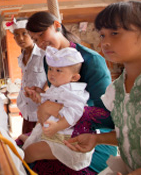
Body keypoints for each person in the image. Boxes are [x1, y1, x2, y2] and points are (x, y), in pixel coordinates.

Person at [65, 0, 141, 175]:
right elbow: (133, 134)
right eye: (102, 35)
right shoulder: (115, 91)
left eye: (115, 33)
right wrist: (97, 139)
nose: (104, 43)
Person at [25, 11, 117, 174]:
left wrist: (53, 108)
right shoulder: (49, 58)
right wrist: (43, 93)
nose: (40, 43)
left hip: (91, 136)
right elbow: (59, 90)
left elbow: (106, 117)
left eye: (41, 34)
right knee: (18, 147)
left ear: (57, 26)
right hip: (61, 127)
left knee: (32, 160)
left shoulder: (92, 61)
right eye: (35, 40)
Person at [20, 46, 94, 171]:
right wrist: (39, 94)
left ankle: (19, 166)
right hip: (55, 134)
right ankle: (32, 141)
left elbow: (76, 113)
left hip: (68, 142)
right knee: (35, 135)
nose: (52, 73)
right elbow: (51, 101)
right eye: (50, 69)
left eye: (59, 70)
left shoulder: (73, 92)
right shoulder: (59, 87)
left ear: (74, 78)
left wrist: (58, 126)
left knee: (31, 152)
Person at [5, 18, 47, 134]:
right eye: (17, 35)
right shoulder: (21, 57)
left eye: (24, 33)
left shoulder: (44, 55)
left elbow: (52, 78)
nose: (21, 38)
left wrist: (42, 92)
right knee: (26, 141)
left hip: (42, 108)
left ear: (32, 34)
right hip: (26, 107)